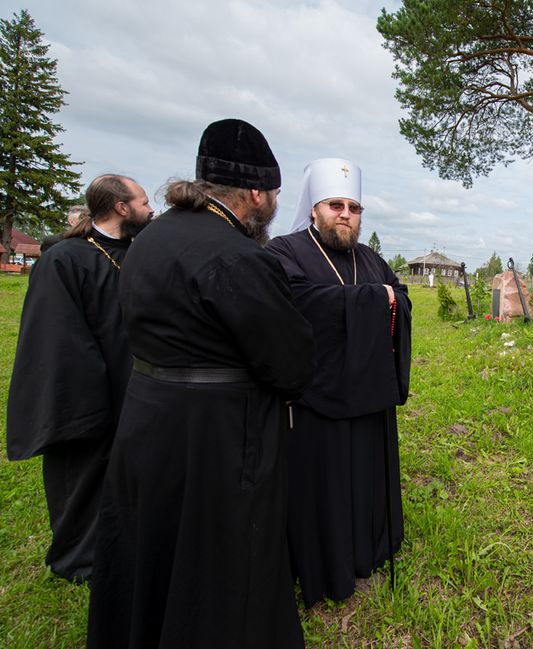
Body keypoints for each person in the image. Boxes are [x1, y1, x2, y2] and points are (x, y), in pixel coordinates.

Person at [87, 119, 315, 649]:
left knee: (155, 541)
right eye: (274, 194)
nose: (274, 203)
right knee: (219, 557)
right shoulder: (240, 257)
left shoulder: (150, 238)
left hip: (147, 414)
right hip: (218, 434)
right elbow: (290, 363)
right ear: (256, 193)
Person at [265, 157, 411, 607]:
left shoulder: (370, 259)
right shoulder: (285, 251)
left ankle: (371, 546)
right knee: (323, 487)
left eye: (354, 207)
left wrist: (385, 299)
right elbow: (293, 301)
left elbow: (400, 297)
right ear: (314, 208)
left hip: (368, 397)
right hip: (317, 399)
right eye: (335, 205)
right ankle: (325, 561)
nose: (346, 214)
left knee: (366, 479)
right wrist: (375, 300)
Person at [6, 175, 152, 583]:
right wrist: (89, 396)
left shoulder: (137, 253)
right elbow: (57, 333)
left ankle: (123, 545)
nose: (150, 209)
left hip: (132, 383)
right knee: (83, 477)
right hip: (84, 390)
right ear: (121, 207)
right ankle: (79, 559)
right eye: (143, 202)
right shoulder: (66, 258)